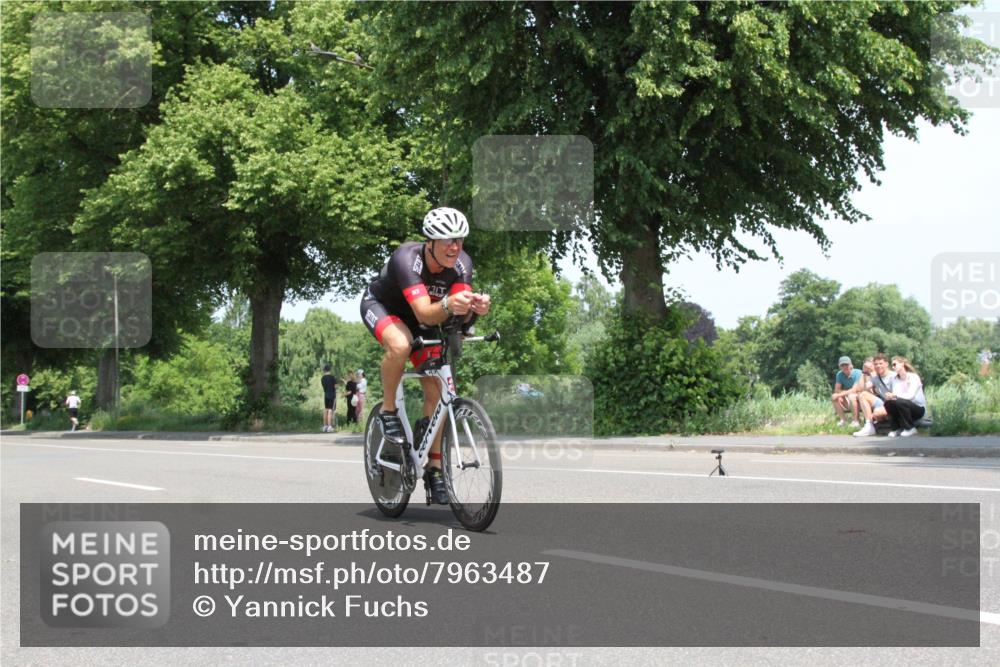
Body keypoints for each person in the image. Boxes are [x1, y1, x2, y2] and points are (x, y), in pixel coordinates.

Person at [360, 206, 491, 504]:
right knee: (400, 345)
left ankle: (433, 468)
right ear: (429, 242)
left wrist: (474, 312)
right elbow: (425, 312)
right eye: (446, 240)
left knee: (437, 390)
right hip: (385, 308)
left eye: (459, 240)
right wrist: (449, 304)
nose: (454, 247)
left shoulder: (462, 264)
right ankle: (389, 411)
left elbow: (454, 322)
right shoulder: (407, 259)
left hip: (425, 318)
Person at [883, 356, 927, 438]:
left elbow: (910, 396)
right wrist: (890, 397)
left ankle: (910, 428)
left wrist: (895, 395)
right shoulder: (894, 379)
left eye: (894, 364)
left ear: (902, 364)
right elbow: (896, 398)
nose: (893, 367)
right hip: (902, 406)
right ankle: (895, 428)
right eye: (892, 366)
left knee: (900, 401)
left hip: (918, 408)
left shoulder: (913, 377)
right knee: (889, 403)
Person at [853, 353, 893, 437]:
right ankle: (869, 426)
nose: (878, 366)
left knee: (877, 412)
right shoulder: (875, 378)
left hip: (894, 403)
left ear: (886, 364)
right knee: (863, 395)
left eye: (880, 363)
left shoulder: (893, 376)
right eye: (876, 364)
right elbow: (862, 388)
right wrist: (865, 373)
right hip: (884, 403)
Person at [831, 356, 862, 427]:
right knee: (834, 397)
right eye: (842, 365)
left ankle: (856, 421)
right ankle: (843, 420)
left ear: (851, 365)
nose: (845, 367)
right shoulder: (839, 374)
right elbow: (837, 389)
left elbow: (854, 389)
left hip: (859, 398)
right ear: (840, 366)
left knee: (851, 396)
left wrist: (840, 394)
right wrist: (844, 393)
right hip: (848, 397)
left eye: (846, 364)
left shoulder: (858, 373)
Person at [321, 364, 337, 433]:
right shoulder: (333, 377)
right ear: (330, 369)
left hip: (326, 395)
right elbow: (335, 386)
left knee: (326, 410)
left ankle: (325, 426)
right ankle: (330, 426)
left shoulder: (322, 378)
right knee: (330, 410)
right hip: (332, 395)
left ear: (324, 370)